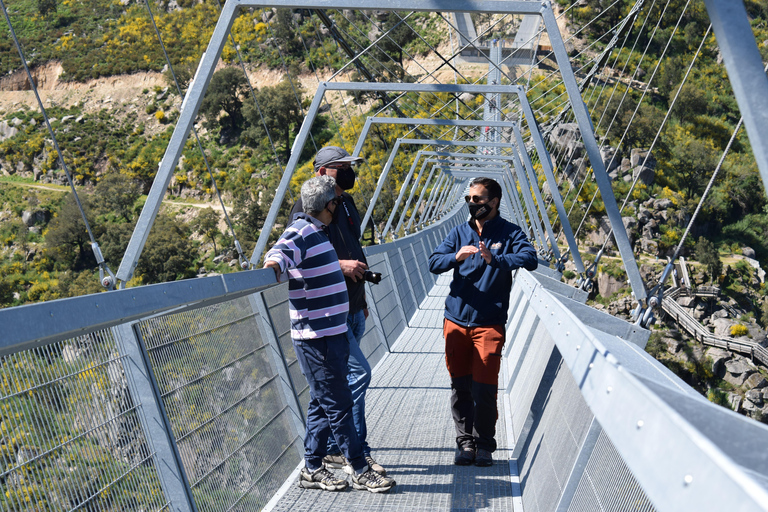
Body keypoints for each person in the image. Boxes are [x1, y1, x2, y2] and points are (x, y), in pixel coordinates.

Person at [264, 176, 394, 493]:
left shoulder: (317, 233)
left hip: (330, 333)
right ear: (329, 206)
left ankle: (311, 467)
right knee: (339, 404)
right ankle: (360, 469)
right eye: (335, 202)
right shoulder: (301, 231)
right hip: (316, 338)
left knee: (322, 403)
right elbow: (280, 250)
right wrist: (273, 264)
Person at [289, 146, 386, 475]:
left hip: (353, 305)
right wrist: (338, 265)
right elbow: (303, 251)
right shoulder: (306, 206)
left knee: (338, 385)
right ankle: (350, 451)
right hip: (329, 311)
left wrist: (362, 301)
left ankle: (339, 450)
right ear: (321, 173)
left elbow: (354, 247)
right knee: (355, 377)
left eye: (350, 166)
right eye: (340, 167)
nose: (348, 172)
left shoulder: (346, 203)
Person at [428, 177, 538, 467]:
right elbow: (433, 262)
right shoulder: (459, 232)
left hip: (488, 323)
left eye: (478, 199)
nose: (472, 204)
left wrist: (497, 259)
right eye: (469, 199)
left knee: (484, 388)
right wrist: (455, 256)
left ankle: (484, 445)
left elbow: (530, 258)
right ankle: (465, 444)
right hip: (455, 321)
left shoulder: (510, 232)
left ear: (494, 201)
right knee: (460, 387)